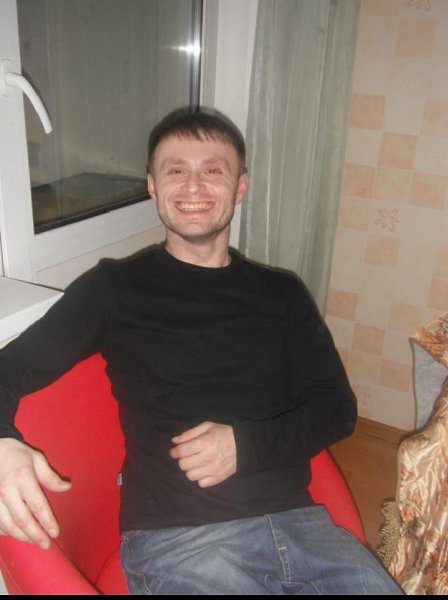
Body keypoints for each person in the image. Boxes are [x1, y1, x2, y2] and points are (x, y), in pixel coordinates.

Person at [0, 108, 402, 595]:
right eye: (176, 171)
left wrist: (244, 446)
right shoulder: (114, 289)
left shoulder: (282, 294)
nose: (193, 186)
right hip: (181, 541)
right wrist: (2, 443)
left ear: (240, 187)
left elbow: (337, 409)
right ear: (152, 187)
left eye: (213, 170)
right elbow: (10, 367)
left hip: (303, 528)